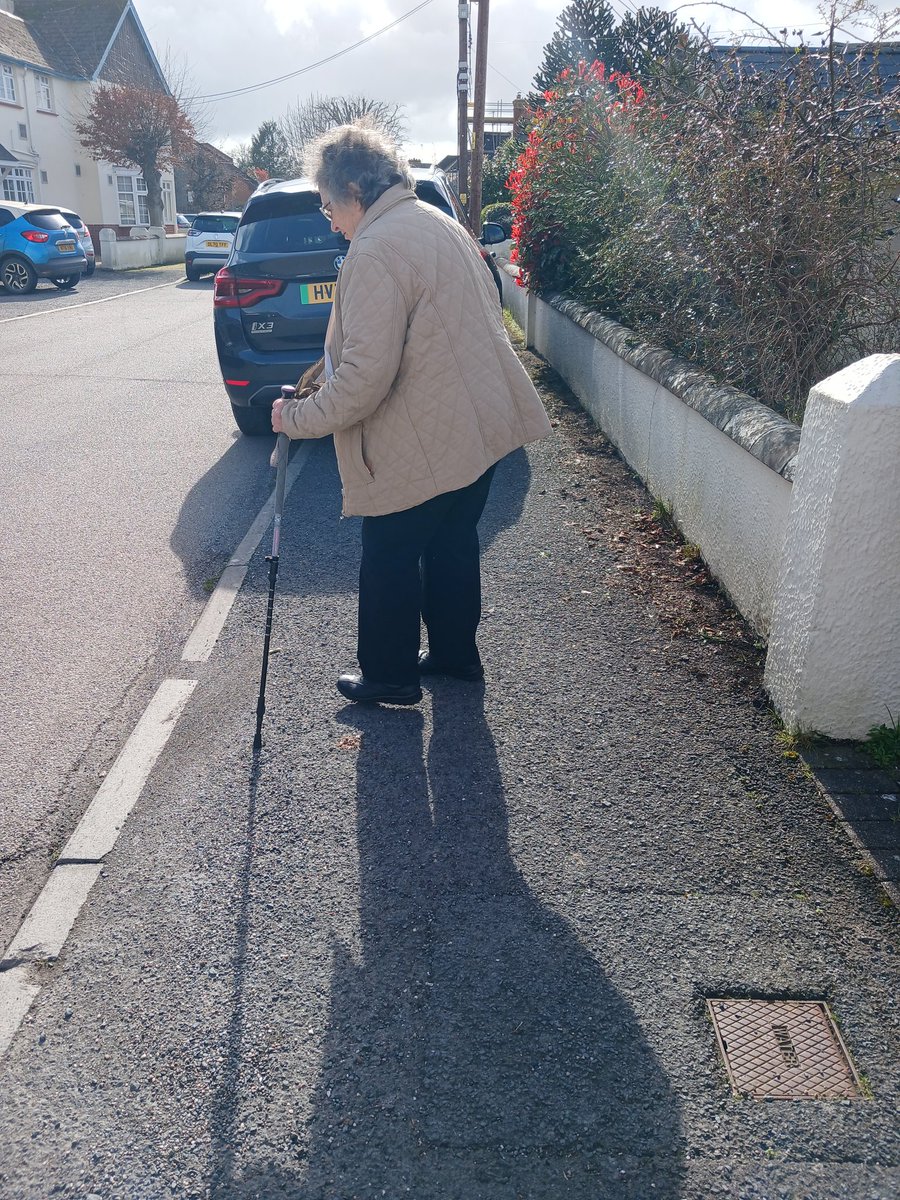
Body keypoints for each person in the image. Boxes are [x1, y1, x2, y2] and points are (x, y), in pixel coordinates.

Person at [272, 122, 551, 705]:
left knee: (390, 556)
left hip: (427, 434)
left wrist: (294, 419)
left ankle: (390, 676)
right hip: (482, 427)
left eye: (327, 206)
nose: (329, 219)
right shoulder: (436, 222)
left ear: (353, 191)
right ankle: (454, 657)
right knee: (452, 545)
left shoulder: (374, 251)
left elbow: (363, 381)